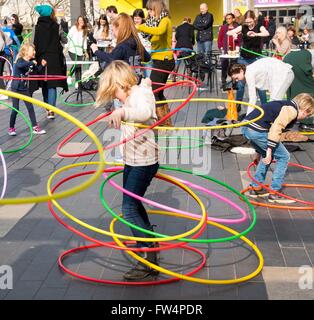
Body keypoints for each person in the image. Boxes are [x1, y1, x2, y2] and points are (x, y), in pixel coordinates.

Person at [96, 60, 159, 281]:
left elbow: (144, 112)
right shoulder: (132, 95)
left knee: (129, 209)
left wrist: (123, 112)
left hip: (143, 161)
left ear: (121, 83)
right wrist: (119, 113)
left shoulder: (139, 95)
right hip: (133, 160)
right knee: (134, 203)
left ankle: (147, 257)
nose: (114, 97)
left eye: (113, 91)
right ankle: (150, 241)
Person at [242, 93, 314, 203]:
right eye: (307, 115)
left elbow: (266, 121)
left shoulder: (285, 105)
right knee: (284, 156)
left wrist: (260, 153)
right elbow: (277, 127)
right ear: (305, 110)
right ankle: (274, 192)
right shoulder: (292, 110)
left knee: (267, 156)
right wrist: (270, 149)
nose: (305, 117)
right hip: (257, 130)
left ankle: (255, 187)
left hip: (247, 128)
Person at [136, 0, 175, 127]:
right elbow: (152, 35)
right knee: (158, 92)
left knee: (153, 92)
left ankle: (162, 123)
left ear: (157, 9)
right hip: (158, 60)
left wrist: (140, 26)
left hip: (164, 61)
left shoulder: (165, 21)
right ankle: (166, 122)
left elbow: (159, 31)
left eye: (151, 10)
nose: (149, 12)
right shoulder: (155, 23)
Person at [227, 10, 270, 110]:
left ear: (254, 19)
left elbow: (266, 33)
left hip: (256, 58)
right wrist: (234, 33)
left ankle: (265, 108)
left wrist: (256, 34)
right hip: (243, 58)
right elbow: (228, 32)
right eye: (247, 22)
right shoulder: (243, 27)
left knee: (260, 85)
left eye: (250, 21)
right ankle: (237, 108)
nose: (249, 24)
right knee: (241, 84)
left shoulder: (259, 26)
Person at [33, 4, 68, 119]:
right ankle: (51, 110)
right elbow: (65, 39)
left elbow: (34, 43)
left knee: (44, 83)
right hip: (54, 58)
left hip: (41, 58)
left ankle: (48, 107)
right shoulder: (57, 26)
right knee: (52, 84)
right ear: (50, 14)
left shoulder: (36, 27)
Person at [228, 58, 295, 114]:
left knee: (274, 102)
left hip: (285, 74)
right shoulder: (249, 70)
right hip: (283, 73)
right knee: (274, 103)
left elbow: (253, 98)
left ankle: (277, 124)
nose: (237, 80)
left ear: (241, 71)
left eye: (236, 78)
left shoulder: (249, 74)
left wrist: (247, 118)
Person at [8, 43, 47, 136]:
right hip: (16, 88)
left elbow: (36, 70)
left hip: (24, 88)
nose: (34, 52)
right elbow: (19, 66)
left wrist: (42, 65)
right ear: (25, 52)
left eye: (34, 50)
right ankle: (11, 128)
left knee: (30, 107)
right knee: (15, 109)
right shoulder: (20, 60)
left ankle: (35, 127)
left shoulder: (31, 62)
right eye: (32, 50)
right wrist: (31, 63)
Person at [284, 49, 314, 131]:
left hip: (288, 60)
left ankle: (290, 119)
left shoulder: (307, 52)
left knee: (294, 90)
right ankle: (307, 123)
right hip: (300, 63)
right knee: (310, 92)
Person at [217, 13, 240, 87]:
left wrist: (238, 47)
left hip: (234, 50)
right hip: (225, 50)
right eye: (226, 19)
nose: (228, 20)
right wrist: (221, 47)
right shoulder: (223, 27)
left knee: (234, 66)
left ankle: (234, 81)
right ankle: (224, 81)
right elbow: (219, 38)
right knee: (224, 65)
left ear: (233, 19)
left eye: (229, 18)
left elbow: (240, 39)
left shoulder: (237, 27)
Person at [67, 16, 88, 88]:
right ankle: (69, 75)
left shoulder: (85, 30)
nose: (81, 21)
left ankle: (78, 83)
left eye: (82, 20)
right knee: (76, 63)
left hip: (80, 51)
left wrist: (85, 51)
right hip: (72, 49)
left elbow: (84, 41)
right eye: (80, 20)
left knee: (79, 67)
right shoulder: (73, 28)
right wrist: (66, 47)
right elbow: (68, 38)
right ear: (78, 21)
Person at [0, 26, 12, 99]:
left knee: (0, 74)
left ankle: (2, 93)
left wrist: (7, 48)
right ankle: (2, 93)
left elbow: (9, 41)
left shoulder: (1, 32)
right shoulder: (2, 32)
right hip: (2, 55)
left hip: (1, 55)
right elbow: (9, 40)